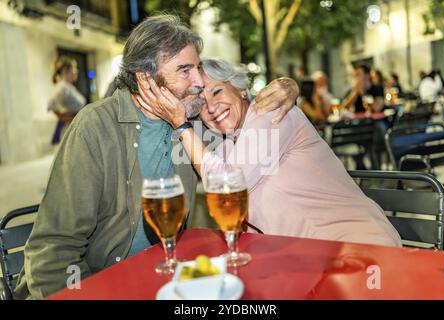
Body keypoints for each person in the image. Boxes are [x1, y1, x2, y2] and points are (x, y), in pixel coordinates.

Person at [14, 15, 299, 300]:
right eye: (185, 70)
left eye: (198, 67)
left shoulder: (191, 122)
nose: (199, 81)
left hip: (165, 282)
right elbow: (53, 250)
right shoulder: (96, 126)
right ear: (146, 78)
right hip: (99, 286)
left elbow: (239, 122)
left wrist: (284, 90)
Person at [137, 58, 402, 248]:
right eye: (201, 104)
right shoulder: (230, 147)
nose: (212, 107)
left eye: (217, 91)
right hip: (308, 262)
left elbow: (226, 183)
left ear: (240, 89)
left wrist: (181, 125)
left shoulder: (272, 112)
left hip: (357, 248)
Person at [48, 56, 86, 144]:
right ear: (65, 70)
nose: (76, 71)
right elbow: (51, 105)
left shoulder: (69, 87)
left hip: (76, 128)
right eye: (74, 68)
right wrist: (69, 118)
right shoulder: (62, 87)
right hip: (69, 129)